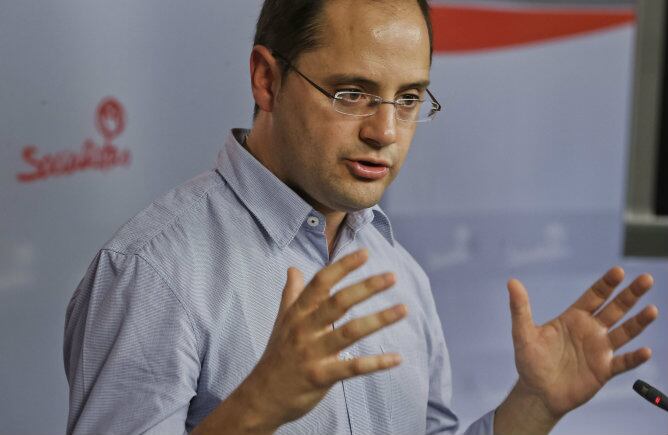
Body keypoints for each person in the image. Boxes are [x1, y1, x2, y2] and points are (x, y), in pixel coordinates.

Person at [63, 0, 659, 434]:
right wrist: (255, 410)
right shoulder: (152, 270)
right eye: (351, 94)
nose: (385, 132)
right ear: (266, 80)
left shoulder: (398, 271)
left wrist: (534, 406)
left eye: (407, 99)